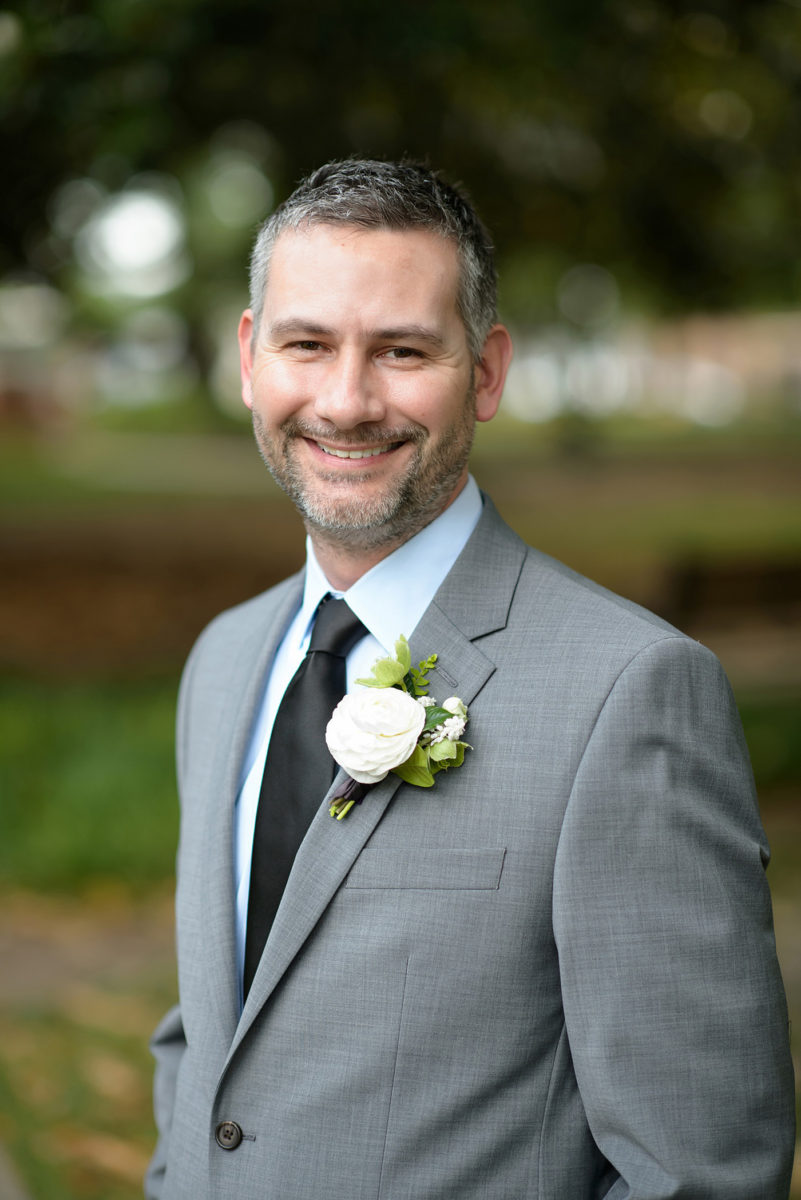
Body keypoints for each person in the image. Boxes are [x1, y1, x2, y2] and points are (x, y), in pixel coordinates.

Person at [147, 159, 794, 1200]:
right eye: (306, 343)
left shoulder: (630, 694)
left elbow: (703, 1172)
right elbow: (210, 1037)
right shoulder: (224, 659)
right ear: (247, 356)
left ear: (486, 373)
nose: (347, 402)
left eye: (403, 351)